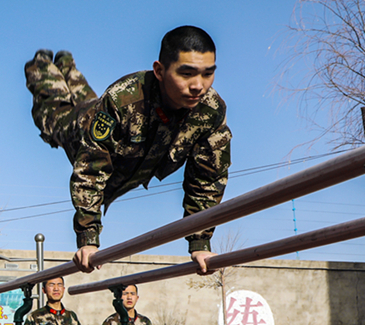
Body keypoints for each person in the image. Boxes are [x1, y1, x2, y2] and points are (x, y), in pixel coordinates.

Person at [25, 25, 230, 274]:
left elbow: (207, 178)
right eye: (186, 74)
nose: (199, 85)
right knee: (54, 111)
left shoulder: (210, 111)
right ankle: (43, 64)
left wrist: (200, 241)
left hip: (101, 113)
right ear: (159, 71)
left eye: (207, 74)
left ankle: (67, 65)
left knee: (89, 100)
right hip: (80, 130)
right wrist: (88, 238)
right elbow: (91, 167)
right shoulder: (124, 99)